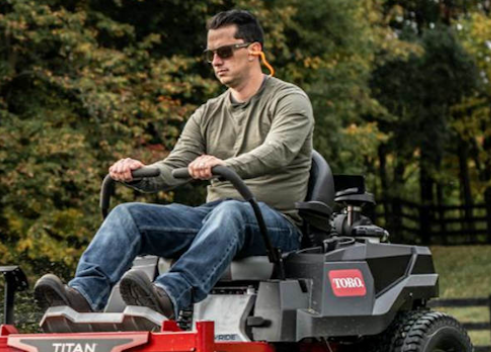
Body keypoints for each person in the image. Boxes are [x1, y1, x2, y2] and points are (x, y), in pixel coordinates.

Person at [35, 10, 314, 322]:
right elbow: (174, 166)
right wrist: (136, 173)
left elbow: (279, 151)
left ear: (254, 50)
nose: (216, 62)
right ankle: (82, 297)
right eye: (211, 55)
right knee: (129, 214)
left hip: (275, 225)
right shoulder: (208, 113)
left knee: (230, 210)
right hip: (216, 218)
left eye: (224, 52)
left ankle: (168, 296)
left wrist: (224, 164)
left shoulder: (289, 100)